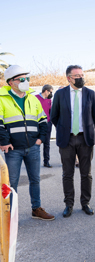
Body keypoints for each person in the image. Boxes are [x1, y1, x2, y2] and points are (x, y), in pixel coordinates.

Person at [0, 65, 54, 220]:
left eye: (27, 78)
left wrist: (40, 139)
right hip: (13, 150)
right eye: (22, 79)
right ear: (11, 82)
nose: (26, 81)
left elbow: (43, 120)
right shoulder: (2, 99)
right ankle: (9, 215)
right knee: (11, 183)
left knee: (35, 180)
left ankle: (36, 209)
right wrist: (4, 141)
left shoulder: (33, 98)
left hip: (33, 147)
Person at [51, 65, 95, 218]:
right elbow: (54, 116)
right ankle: (69, 204)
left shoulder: (90, 94)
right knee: (67, 174)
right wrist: (64, 129)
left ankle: (85, 203)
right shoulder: (60, 94)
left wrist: (87, 130)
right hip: (67, 139)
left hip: (85, 139)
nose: (80, 78)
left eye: (82, 75)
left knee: (86, 174)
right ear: (68, 78)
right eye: (76, 76)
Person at [36, 84, 53, 168]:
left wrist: (50, 122)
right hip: (37, 124)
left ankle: (46, 161)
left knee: (47, 144)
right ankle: (34, 162)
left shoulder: (49, 100)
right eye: (50, 92)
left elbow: (50, 112)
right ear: (46, 91)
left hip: (47, 124)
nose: (51, 94)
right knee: (36, 143)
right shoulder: (35, 98)